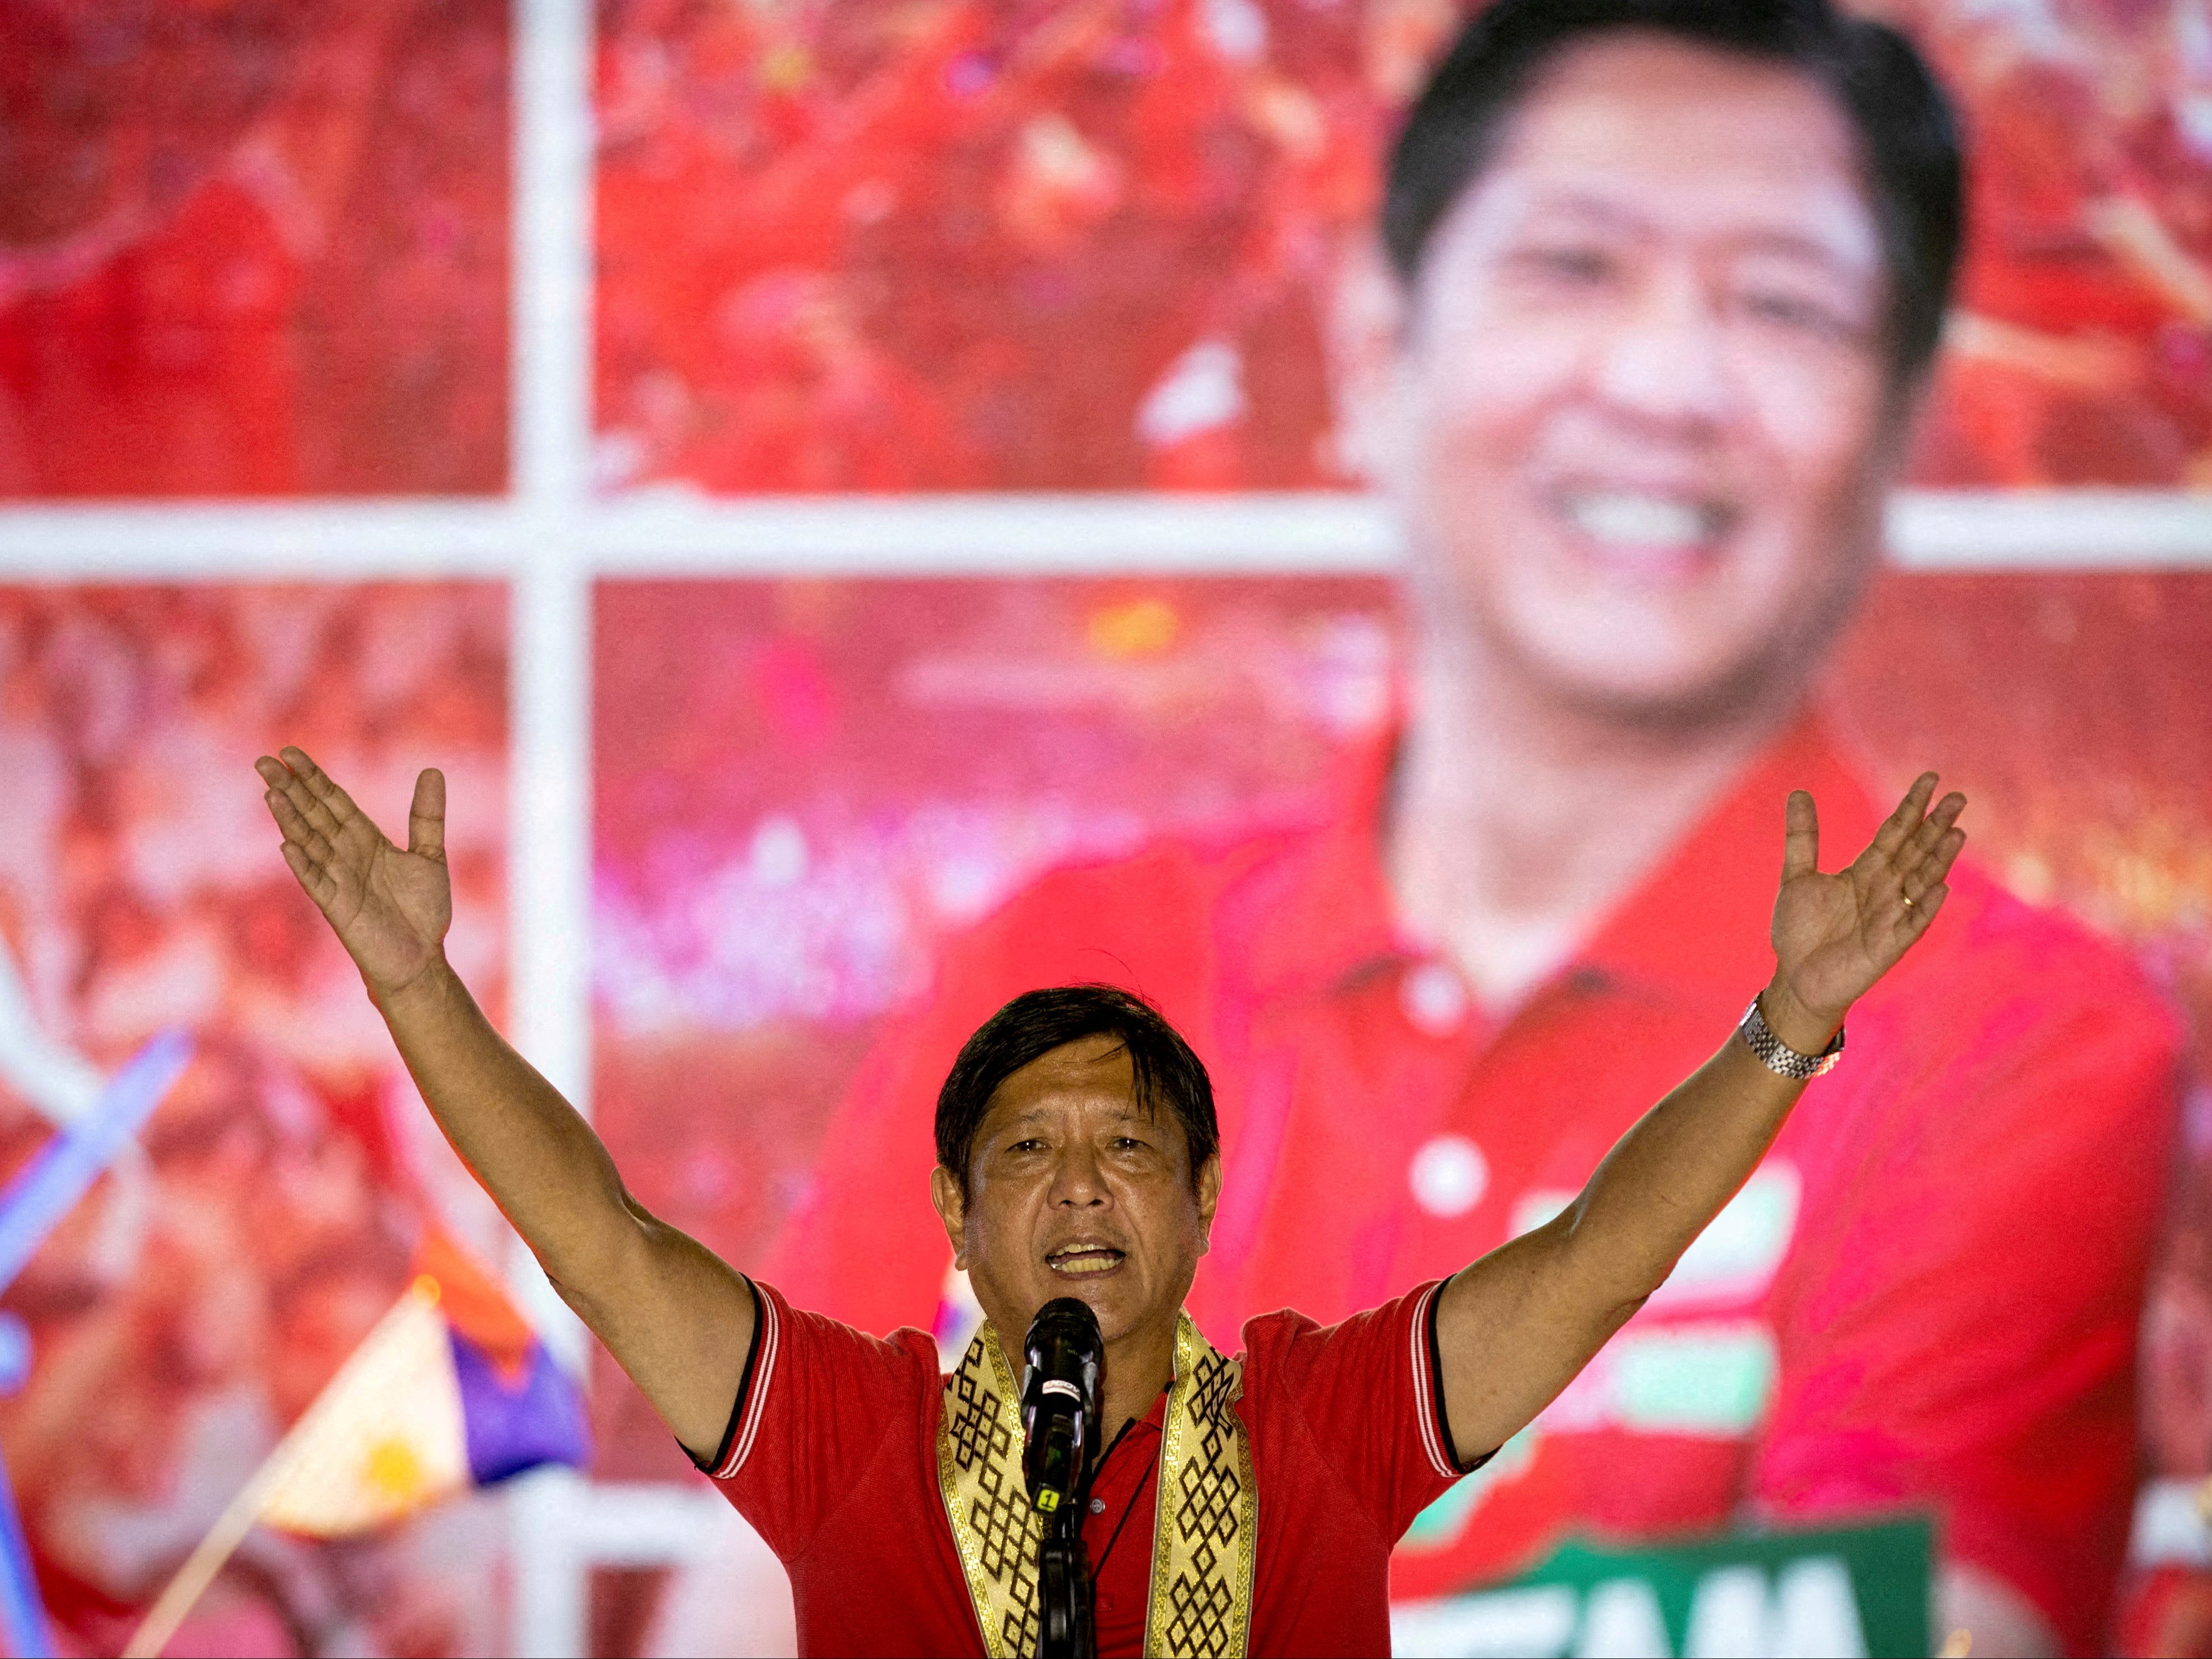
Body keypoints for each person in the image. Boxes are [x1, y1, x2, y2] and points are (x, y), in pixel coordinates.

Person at [771, 1, 2182, 1653]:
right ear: (1375, 349)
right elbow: (764, 1605)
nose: (1665, 382)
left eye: (1785, 305)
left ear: (1902, 428)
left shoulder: (2010, 1045)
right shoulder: (1066, 969)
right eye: (1574, 266)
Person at [257, 739, 1961, 1655]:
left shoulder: (1323, 1418)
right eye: (1026, 1151)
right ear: (948, 1209)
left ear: (1207, 1199)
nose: (1079, 1187)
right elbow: (600, 1236)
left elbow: (1595, 1262)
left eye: (1128, 1145)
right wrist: (420, 991)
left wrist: (1786, 1025)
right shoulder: (849, 1435)